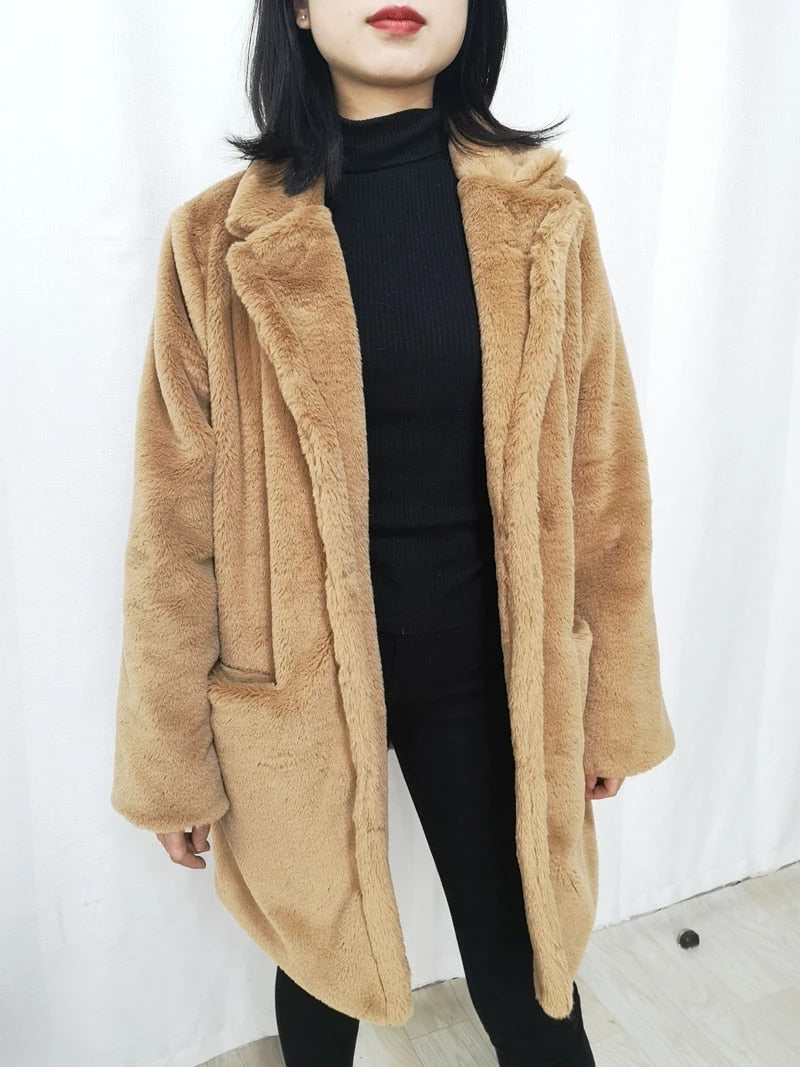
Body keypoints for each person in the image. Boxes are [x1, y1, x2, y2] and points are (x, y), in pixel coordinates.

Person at [111, 2, 677, 1065]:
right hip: (294, 677)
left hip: (488, 668)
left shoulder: (545, 216)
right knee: (319, 963)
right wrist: (169, 757)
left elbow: (603, 479)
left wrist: (611, 703)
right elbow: (171, 528)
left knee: (529, 978)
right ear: (297, 8)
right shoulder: (214, 242)